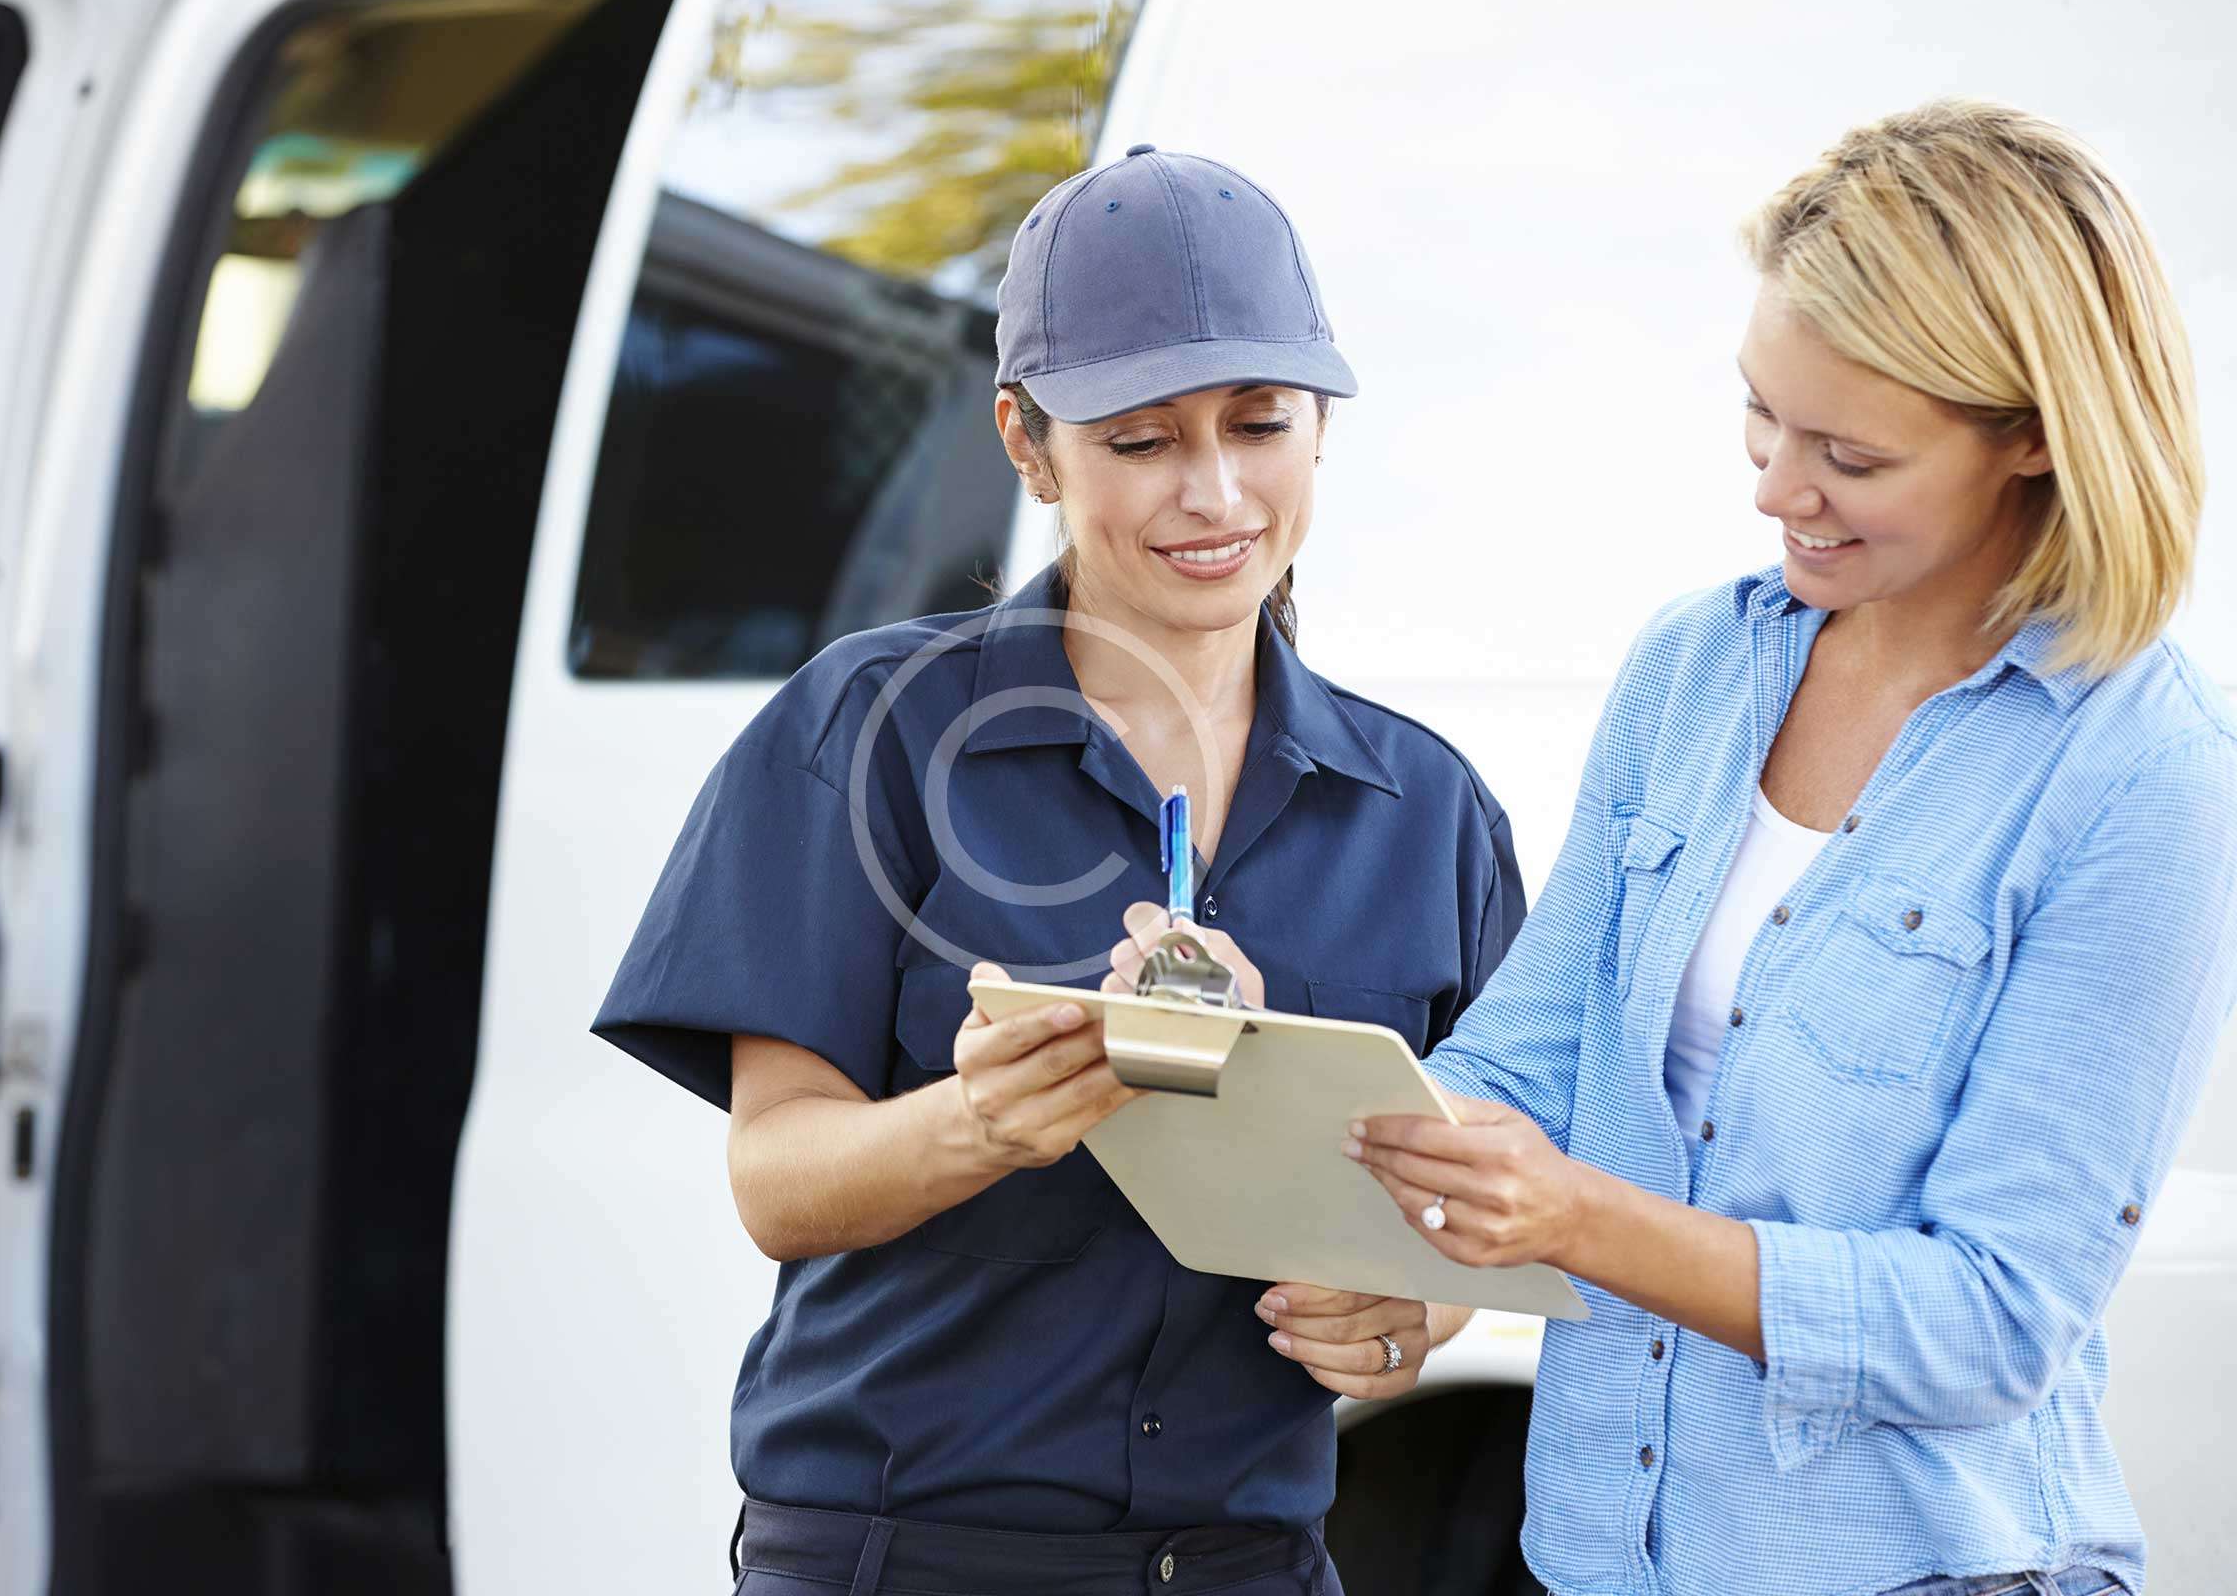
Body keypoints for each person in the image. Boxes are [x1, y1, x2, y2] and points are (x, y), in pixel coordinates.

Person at [1120, 99, 2237, 1596]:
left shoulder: (2142, 774)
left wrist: (1580, 1220)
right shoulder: (1698, 668)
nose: (1776, 489)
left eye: (1847, 452)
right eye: (1761, 417)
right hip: (1602, 1562)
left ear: (2032, 439)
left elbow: (1989, 1324)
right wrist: (1342, 1171)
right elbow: (1523, 1065)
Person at [592, 145, 1527, 1596]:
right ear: (1029, 445)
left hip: (1252, 1564)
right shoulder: (869, 739)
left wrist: (1407, 1315)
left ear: (1320, 424)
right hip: (908, 1562)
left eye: (1260, 424)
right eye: (1141, 441)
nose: (1215, 492)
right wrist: (983, 1122)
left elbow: (1480, 1212)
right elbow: (777, 1177)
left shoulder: (1427, 811)